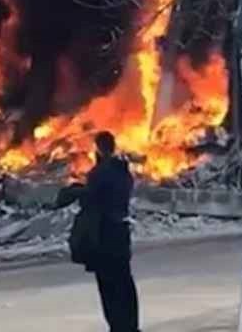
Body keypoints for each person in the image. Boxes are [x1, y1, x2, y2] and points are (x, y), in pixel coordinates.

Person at [56, 131, 141, 332]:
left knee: (109, 286)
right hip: (120, 233)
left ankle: (118, 326)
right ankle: (130, 325)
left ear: (99, 148)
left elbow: (93, 200)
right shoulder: (123, 172)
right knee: (124, 282)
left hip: (104, 235)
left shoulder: (100, 173)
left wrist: (75, 191)